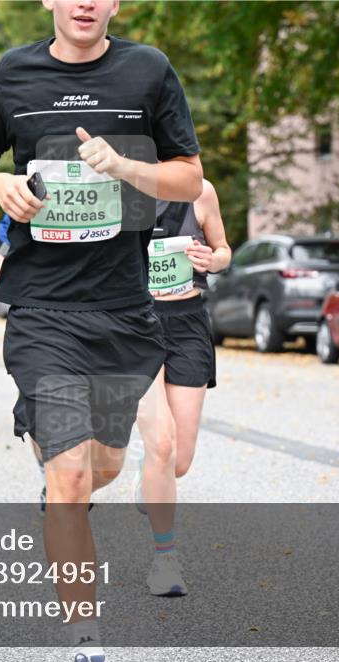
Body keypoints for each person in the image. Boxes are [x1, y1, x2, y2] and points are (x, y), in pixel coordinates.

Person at [0, 0, 203, 662]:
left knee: (106, 465)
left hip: (121, 310)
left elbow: (190, 176)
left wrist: (126, 168)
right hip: (42, 309)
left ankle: (62, 474)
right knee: (67, 472)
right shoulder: (15, 74)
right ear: (51, 2)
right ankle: (84, 635)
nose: (85, 2)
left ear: (114, 3)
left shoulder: (148, 70)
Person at [131, 182, 231, 597]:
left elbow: (224, 250)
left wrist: (212, 259)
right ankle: (165, 560)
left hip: (188, 322)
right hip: (135, 324)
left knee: (180, 460)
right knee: (162, 444)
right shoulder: (118, 191)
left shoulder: (200, 191)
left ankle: (150, 475)